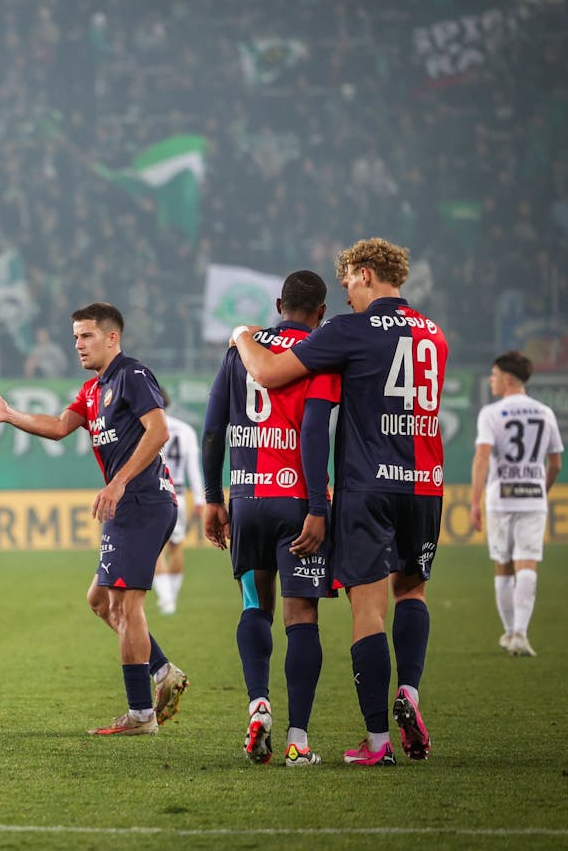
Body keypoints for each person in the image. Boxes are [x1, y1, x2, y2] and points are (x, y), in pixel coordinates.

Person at [231, 238, 447, 766]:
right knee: (413, 592)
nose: (346, 290)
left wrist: (240, 336)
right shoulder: (434, 334)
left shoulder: (348, 330)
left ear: (367, 274)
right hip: (426, 482)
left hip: (367, 485)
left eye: (349, 279)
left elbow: (269, 373)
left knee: (367, 610)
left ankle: (377, 743)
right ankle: (410, 694)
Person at [0, 302, 188, 736]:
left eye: (86, 335)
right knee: (100, 601)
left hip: (144, 501)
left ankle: (141, 714)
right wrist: (8, 415)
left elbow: (158, 430)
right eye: (75, 337)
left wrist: (120, 481)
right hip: (125, 506)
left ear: (112, 337)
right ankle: (163, 671)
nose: (78, 344)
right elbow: (57, 425)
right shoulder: (93, 391)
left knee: (127, 605)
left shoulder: (132, 374)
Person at [202, 270, 338, 766]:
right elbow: (316, 432)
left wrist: (214, 497)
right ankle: (298, 740)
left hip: (247, 502)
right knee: (301, 617)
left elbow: (213, 426)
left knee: (254, 605)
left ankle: (258, 702)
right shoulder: (320, 352)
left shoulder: (243, 349)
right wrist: (320, 507)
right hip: (297, 504)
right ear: (320, 312)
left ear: (279, 303)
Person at [469, 351, 562, 658]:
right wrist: (541, 489)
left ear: (508, 378)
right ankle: (521, 633)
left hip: (501, 498)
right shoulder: (545, 412)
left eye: (494, 375)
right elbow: (556, 463)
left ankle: (510, 632)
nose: (492, 380)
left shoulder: (491, 414)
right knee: (527, 564)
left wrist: (474, 501)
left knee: (503, 566)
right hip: (533, 498)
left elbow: (483, 457)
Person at [153, 388, 203, 615]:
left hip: (155, 493)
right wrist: (201, 499)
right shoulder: (185, 430)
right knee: (175, 547)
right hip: (180, 496)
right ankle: (171, 596)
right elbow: (194, 468)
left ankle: (165, 600)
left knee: (155, 549)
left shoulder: (148, 427)